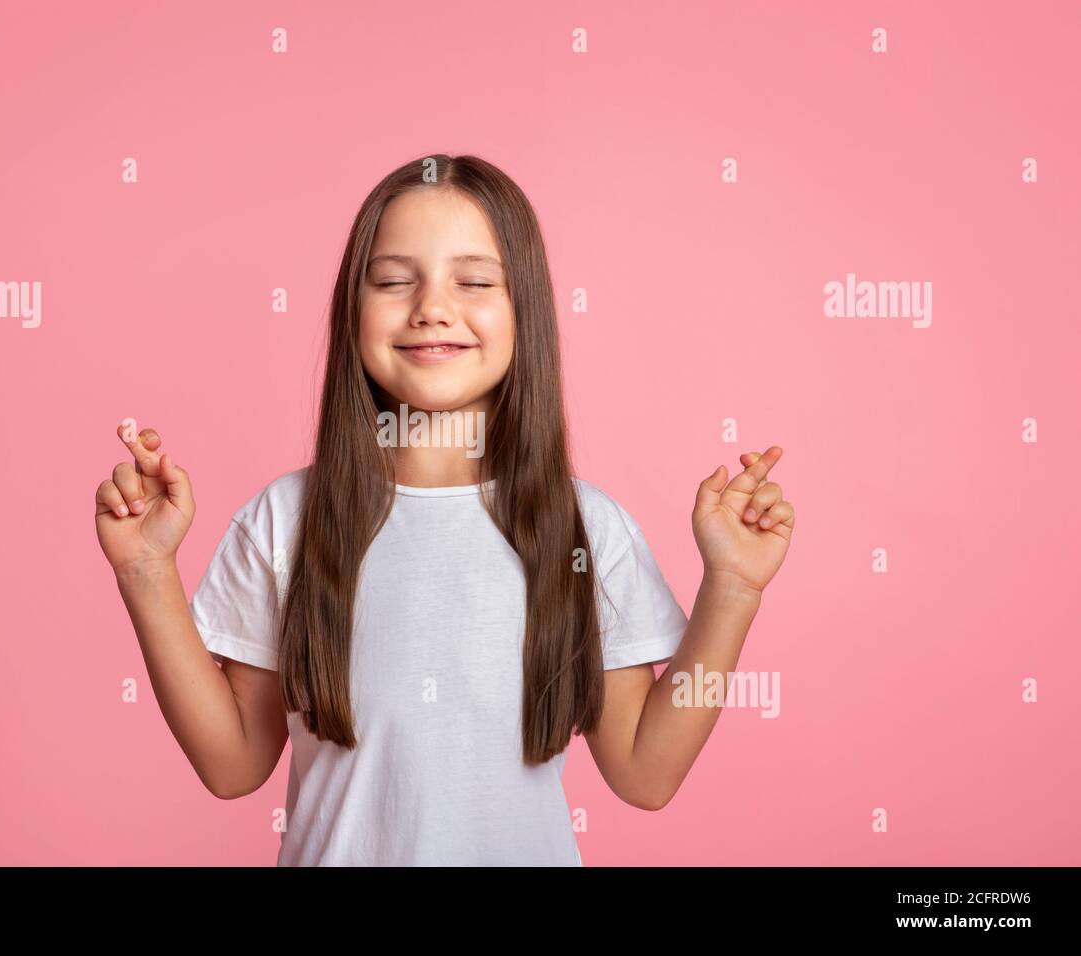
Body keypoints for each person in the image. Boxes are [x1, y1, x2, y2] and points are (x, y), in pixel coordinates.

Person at [94, 153, 796, 866]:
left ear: (525, 307)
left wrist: (733, 589)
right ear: (352, 310)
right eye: (396, 281)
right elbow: (232, 765)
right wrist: (147, 571)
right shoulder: (286, 520)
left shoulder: (587, 530)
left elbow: (646, 774)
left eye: (475, 281)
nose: (432, 307)